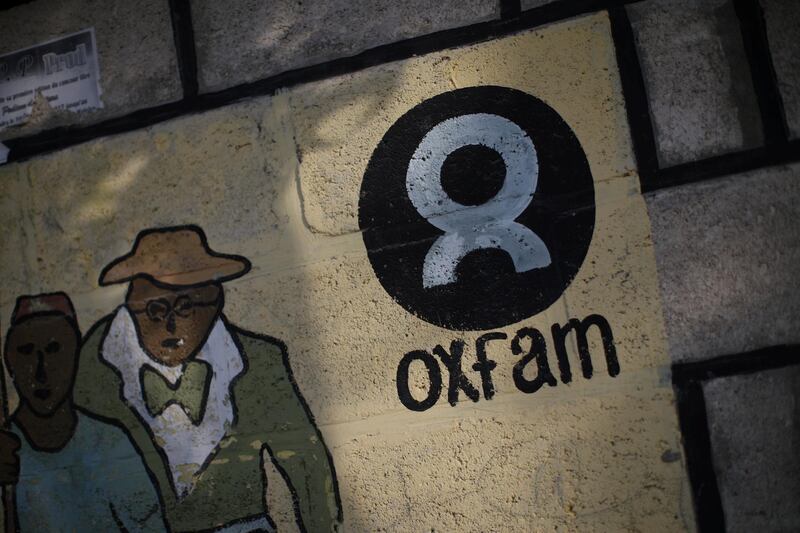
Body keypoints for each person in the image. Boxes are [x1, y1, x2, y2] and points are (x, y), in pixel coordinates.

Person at [73, 225, 341, 532]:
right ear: (132, 307)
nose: (171, 324)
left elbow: (306, 463)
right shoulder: (93, 369)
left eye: (186, 307)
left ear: (214, 302)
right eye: (155, 310)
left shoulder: (258, 361)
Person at [0, 293, 166, 532]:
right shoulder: (7, 453)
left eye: (54, 349)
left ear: (75, 354)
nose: (41, 371)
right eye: (26, 351)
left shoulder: (109, 441)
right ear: (10, 361)